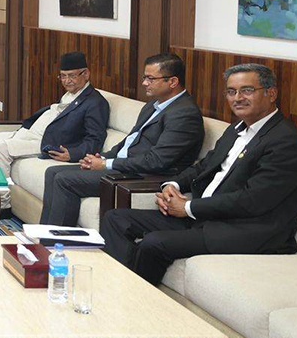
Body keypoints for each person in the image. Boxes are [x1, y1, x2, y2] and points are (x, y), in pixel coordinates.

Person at [99, 63, 297, 285]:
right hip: (205, 216)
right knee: (116, 219)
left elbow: (252, 200)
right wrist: (172, 185)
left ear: (271, 94)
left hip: (245, 229)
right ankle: (117, 286)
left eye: (247, 90)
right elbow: (204, 166)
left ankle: (134, 295)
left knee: (154, 243)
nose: (237, 98)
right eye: (231, 91)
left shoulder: (287, 142)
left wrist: (188, 207)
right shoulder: (236, 129)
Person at [39, 53, 204, 226]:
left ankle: (58, 238)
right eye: (144, 78)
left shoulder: (185, 114)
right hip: (126, 167)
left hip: (144, 176)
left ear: (173, 82)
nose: (144, 83)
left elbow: (156, 161)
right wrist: (103, 157)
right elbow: (129, 141)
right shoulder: (153, 106)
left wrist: (107, 164)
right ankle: (42, 235)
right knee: (53, 172)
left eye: (150, 79)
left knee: (64, 180)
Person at [0, 51, 109, 220]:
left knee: (2, 148)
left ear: (86, 74)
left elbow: (95, 138)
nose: (66, 81)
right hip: (31, 134)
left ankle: (2, 205)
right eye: (63, 76)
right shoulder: (70, 95)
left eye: (71, 76)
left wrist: (73, 153)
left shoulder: (95, 102)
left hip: (47, 142)